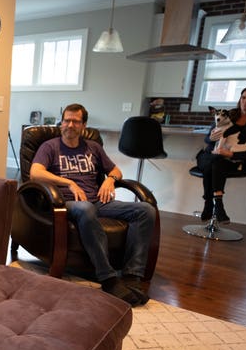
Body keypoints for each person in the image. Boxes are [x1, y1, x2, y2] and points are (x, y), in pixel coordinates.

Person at [29, 103, 155, 306]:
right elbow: (35, 172)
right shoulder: (50, 147)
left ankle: (132, 275)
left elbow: (116, 170)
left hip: (98, 201)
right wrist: (69, 182)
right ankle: (108, 278)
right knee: (86, 208)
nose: (70, 125)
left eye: (75, 121)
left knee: (145, 210)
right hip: (66, 203)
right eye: (67, 120)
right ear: (62, 122)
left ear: (83, 125)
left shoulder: (93, 148)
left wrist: (109, 180)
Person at [196, 85, 246, 224]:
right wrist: (211, 138)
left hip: (233, 161)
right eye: (243, 97)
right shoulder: (228, 114)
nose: (245, 101)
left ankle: (210, 203)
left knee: (217, 163)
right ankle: (218, 206)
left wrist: (230, 154)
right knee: (215, 161)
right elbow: (207, 139)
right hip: (211, 156)